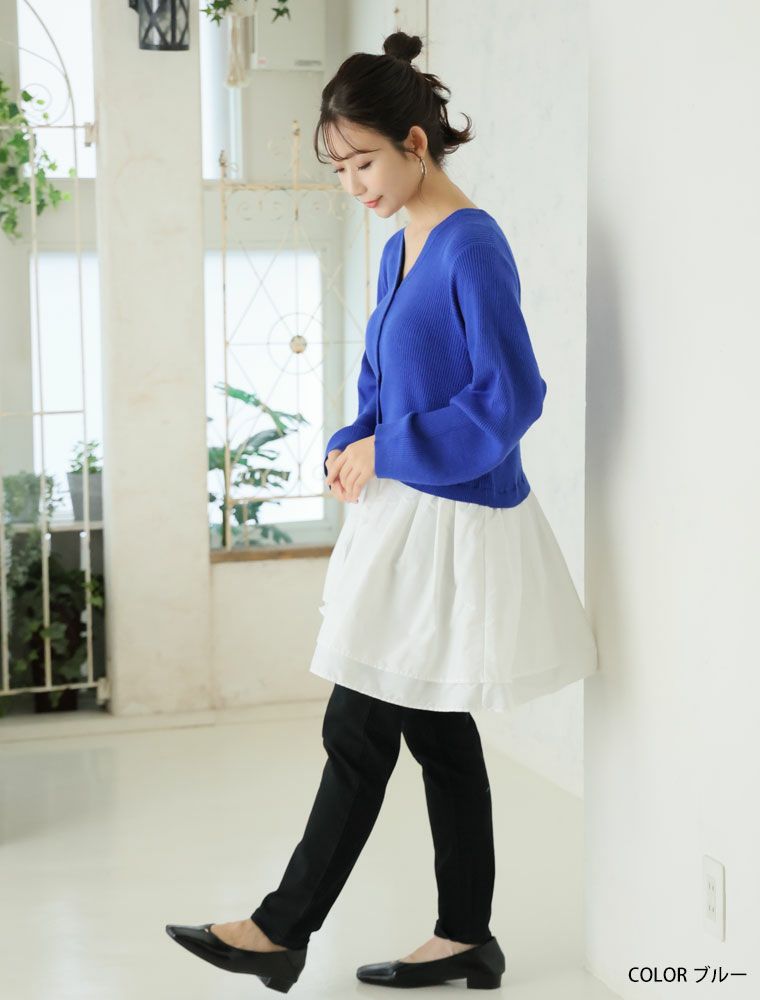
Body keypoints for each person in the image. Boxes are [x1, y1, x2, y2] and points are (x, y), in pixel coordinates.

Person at [166, 29, 597, 993]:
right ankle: (465, 936)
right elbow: (382, 377)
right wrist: (350, 439)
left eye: (362, 162)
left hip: (448, 523)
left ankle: (282, 930)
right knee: (435, 731)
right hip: (402, 515)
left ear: (415, 142)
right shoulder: (399, 242)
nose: (353, 184)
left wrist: (388, 448)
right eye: (339, 169)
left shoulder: (472, 245)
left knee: (359, 730)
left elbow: (511, 396)